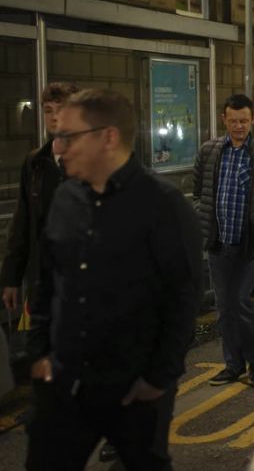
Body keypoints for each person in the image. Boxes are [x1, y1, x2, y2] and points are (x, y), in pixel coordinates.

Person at [26, 89, 202, 470]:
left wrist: (159, 378)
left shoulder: (164, 204)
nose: (59, 147)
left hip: (135, 386)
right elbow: (46, 280)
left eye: (70, 136)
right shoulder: (65, 199)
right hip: (65, 381)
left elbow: (183, 296)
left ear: (108, 137)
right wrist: (39, 353)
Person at [194, 94, 254, 386]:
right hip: (219, 243)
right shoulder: (209, 152)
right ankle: (233, 365)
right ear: (224, 120)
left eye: (243, 121)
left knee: (242, 302)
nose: (238, 126)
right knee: (224, 306)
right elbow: (198, 192)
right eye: (233, 121)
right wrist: (203, 217)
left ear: (252, 120)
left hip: (247, 245)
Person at [3, 83, 79, 318]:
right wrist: (11, 278)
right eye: (48, 110)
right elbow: (23, 221)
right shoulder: (35, 162)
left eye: (62, 109)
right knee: (40, 349)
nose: (54, 117)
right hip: (43, 286)